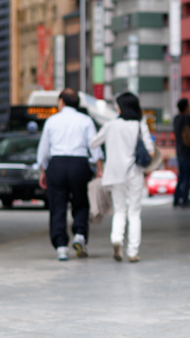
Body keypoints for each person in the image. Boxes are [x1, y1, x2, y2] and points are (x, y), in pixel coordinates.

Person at [36, 88, 102, 261]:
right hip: (79, 164)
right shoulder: (86, 120)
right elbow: (94, 146)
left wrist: (43, 170)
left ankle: (61, 246)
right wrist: (99, 168)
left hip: (56, 164)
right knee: (81, 201)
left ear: (62, 102)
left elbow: (43, 150)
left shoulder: (52, 121)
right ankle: (80, 235)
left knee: (57, 205)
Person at [90, 92, 154, 262]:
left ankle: (116, 239)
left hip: (114, 173)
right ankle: (132, 251)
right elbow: (150, 150)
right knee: (134, 212)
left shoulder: (111, 125)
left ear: (121, 107)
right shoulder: (140, 125)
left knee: (119, 210)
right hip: (134, 172)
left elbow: (93, 143)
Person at [172, 98, 190, 208]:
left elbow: (189, 119)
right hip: (188, 150)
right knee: (188, 176)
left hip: (179, 150)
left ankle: (176, 199)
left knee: (181, 176)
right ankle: (185, 200)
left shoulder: (176, 118)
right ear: (186, 107)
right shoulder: (187, 118)